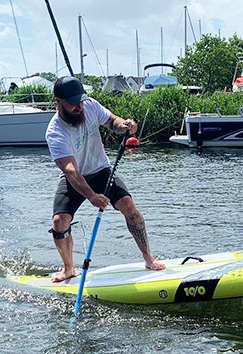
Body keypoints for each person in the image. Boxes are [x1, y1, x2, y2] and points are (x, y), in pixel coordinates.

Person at [45, 76, 166, 282]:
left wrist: (124, 125)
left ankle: (148, 258)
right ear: (58, 101)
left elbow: (112, 121)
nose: (79, 107)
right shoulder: (55, 132)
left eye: (80, 101)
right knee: (60, 222)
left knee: (127, 204)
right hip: (75, 178)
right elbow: (71, 171)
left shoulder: (90, 106)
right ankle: (68, 269)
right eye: (73, 103)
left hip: (101, 170)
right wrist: (92, 196)